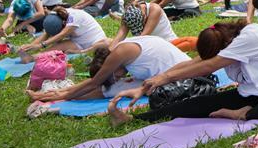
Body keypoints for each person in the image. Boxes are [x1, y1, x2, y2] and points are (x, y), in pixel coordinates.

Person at [108, 21, 258, 126]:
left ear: (224, 46)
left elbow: (208, 67)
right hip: (250, 94)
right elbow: (194, 62)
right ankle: (133, 120)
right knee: (194, 104)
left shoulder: (251, 36)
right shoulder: (227, 41)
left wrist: (164, 78)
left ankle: (243, 115)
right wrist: (146, 86)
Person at [26, 35, 191, 103]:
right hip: (176, 72)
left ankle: (54, 96)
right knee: (111, 85)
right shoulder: (120, 50)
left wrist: (64, 96)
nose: (117, 77)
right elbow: (95, 81)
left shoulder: (120, 53)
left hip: (183, 78)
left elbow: (95, 83)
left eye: (113, 75)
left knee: (111, 88)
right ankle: (56, 94)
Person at [16, 6, 108, 59]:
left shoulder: (74, 17)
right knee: (50, 50)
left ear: (63, 24)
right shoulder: (56, 16)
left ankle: (81, 52)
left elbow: (62, 34)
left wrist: (40, 45)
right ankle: (31, 58)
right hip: (77, 42)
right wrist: (30, 46)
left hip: (94, 41)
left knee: (104, 44)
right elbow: (46, 34)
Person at [108, 2, 178, 49]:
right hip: (150, 46)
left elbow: (142, 38)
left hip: (169, 44)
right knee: (107, 43)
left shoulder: (154, 9)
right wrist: (107, 54)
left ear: (144, 16)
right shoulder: (129, 15)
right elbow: (119, 38)